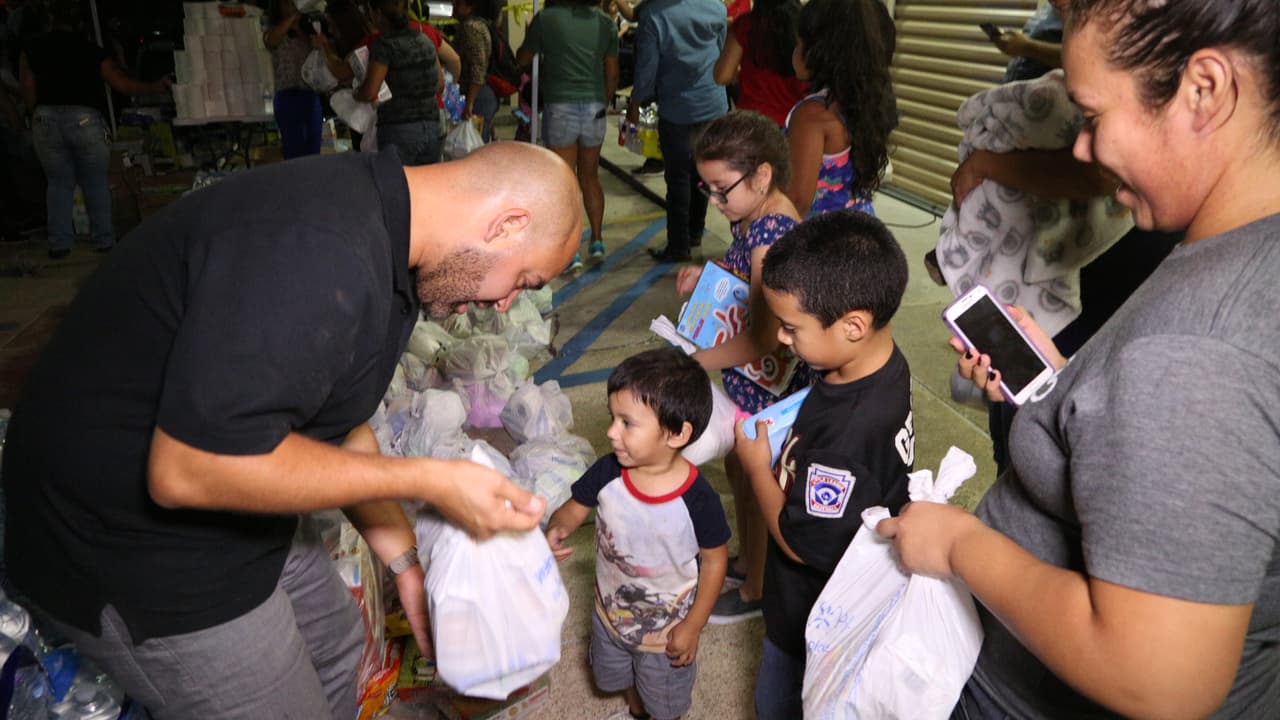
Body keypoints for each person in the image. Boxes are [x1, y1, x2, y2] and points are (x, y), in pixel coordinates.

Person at [1, 142, 583, 720]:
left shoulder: (392, 237)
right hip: (131, 545)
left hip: (233, 502)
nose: (506, 305)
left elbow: (337, 416)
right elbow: (186, 470)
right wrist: (433, 479)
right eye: (524, 280)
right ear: (508, 225)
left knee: (339, 652)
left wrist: (405, 562)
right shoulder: (321, 251)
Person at [878, 1, 1280, 717]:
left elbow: (1156, 674)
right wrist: (1062, 391)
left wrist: (958, 544)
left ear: (1205, 90)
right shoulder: (1239, 245)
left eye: (1092, 116)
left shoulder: (1195, 358)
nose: (1085, 150)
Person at [735, 209, 913, 718]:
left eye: (791, 327)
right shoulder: (873, 364)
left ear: (853, 324)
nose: (783, 339)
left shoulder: (848, 437)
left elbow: (799, 545)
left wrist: (755, 467)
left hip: (810, 615)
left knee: (779, 702)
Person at [668, 110, 814, 624]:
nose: (713, 200)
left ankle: (756, 587)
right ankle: (750, 558)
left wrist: (694, 360)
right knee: (740, 472)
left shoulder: (773, 233)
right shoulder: (752, 215)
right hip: (751, 385)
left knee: (758, 483)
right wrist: (706, 274)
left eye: (720, 189)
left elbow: (758, 339)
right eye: (707, 188)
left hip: (768, 388)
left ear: (762, 176)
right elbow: (741, 272)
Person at [544, 347, 730, 720]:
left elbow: (714, 562)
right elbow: (574, 507)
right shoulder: (608, 471)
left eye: (627, 423)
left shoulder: (698, 499)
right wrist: (556, 529)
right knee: (617, 676)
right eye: (614, 418)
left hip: (664, 631)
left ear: (677, 433)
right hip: (609, 612)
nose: (611, 432)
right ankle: (635, 710)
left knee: (664, 700)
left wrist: (693, 626)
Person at [18, 0, 170, 258]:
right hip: (84, 119)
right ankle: (104, 240)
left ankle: (60, 244)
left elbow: (28, 89)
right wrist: (155, 87)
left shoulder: (31, 49)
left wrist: (35, 115)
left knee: (57, 183)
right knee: (95, 182)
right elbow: (122, 84)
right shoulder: (91, 50)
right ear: (80, 23)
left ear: (50, 19)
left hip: (46, 118)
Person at [517, 0, 618, 262]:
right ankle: (597, 241)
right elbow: (613, 72)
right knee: (590, 177)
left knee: (565, 181)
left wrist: (532, 34)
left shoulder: (547, 19)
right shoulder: (605, 23)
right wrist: (603, 102)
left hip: (561, 106)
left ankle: (570, 250)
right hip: (594, 106)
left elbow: (523, 59)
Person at [629, 0, 728, 263]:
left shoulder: (654, 15)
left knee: (678, 179)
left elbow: (646, 69)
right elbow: (721, 53)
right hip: (712, 104)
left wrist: (636, 102)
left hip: (676, 108)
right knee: (703, 175)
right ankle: (695, 232)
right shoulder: (715, 7)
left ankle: (678, 246)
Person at [784, 0, 895, 218]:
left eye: (799, 43)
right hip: (859, 229)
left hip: (818, 240)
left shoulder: (812, 115)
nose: (794, 52)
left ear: (821, 51)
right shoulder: (865, 103)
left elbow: (797, 201)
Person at [357, 0, 444, 165]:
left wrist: (357, 93)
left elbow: (370, 92)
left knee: (397, 186)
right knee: (426, 187)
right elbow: (439, 84)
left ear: (377, 14)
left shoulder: (384, 46)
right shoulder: (425, 40)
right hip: (432, 128)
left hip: (399, 129)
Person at [712, 0, 805, 128]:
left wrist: (743, 75)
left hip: (752, 122)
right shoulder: (807, 25)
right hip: (796, 121)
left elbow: (722, 76)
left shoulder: (745, 24)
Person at [265, 0, 324, 159]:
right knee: (294, 150)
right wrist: (292, 18)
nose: (291, 8)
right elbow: (271, 40)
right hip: (287, 96)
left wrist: (300, 26)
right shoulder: (274, 32)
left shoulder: (308, 33)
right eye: (286, 4)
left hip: (310, 95)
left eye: (294, 4)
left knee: (313, 149)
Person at [451, 0, 499, 141]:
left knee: (474, 147)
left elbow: (478, 67)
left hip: (477, 95)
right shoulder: (478, 25)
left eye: (458, 3)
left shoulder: (471, 28)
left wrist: (469, 103)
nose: (454, 5)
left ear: (470, 6)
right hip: (480, 93)